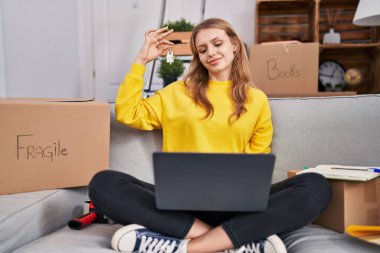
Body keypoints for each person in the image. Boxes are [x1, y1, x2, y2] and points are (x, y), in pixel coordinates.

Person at [89, 18, 332, 253]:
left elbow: (256, 160)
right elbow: (127, 113)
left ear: (234, 45)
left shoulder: (256, 99)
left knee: (315, 185)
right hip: (181, 206)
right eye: (202, 49)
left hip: (237, 205)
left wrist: (242, 193)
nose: (211, 53)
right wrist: (142, 60)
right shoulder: (176, 93)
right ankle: (232, 240)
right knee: (103, 183)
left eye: (217, 44)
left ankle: (191, 246)